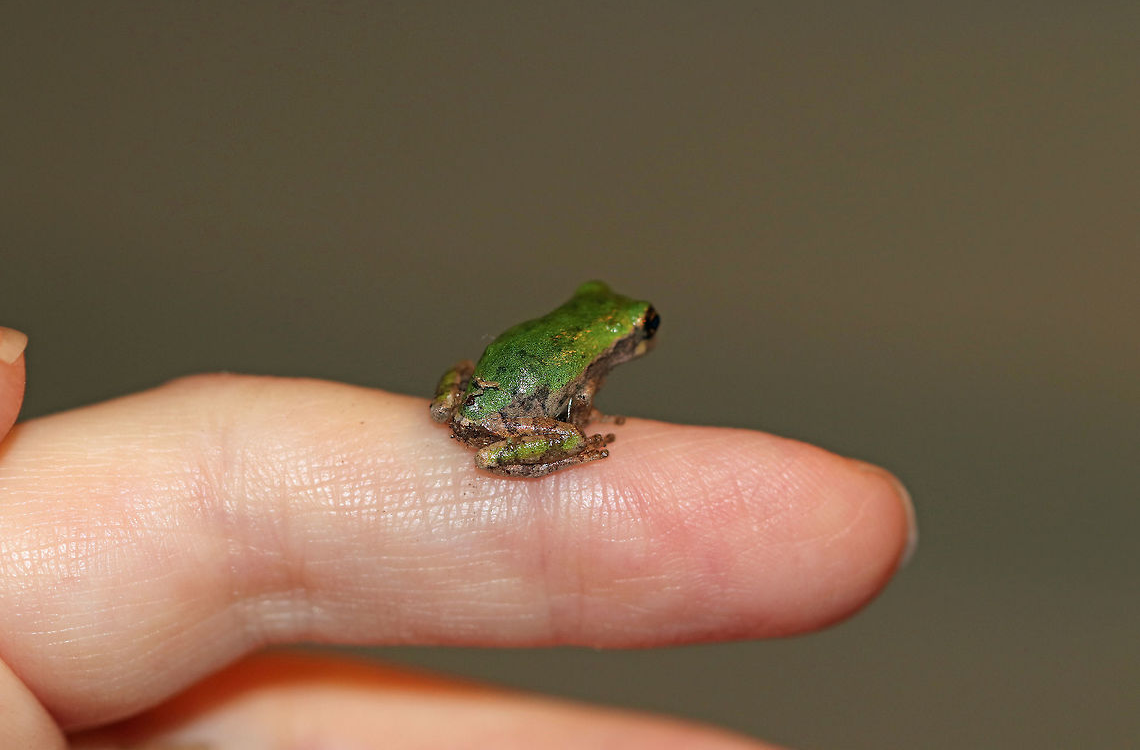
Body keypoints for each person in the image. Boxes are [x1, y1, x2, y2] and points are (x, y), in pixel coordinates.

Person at [0, 326, 915, 748]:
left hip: (467, 397)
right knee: (574, 431)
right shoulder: (590, 362)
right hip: (509, 420)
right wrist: (577, 432)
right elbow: (572, 399)